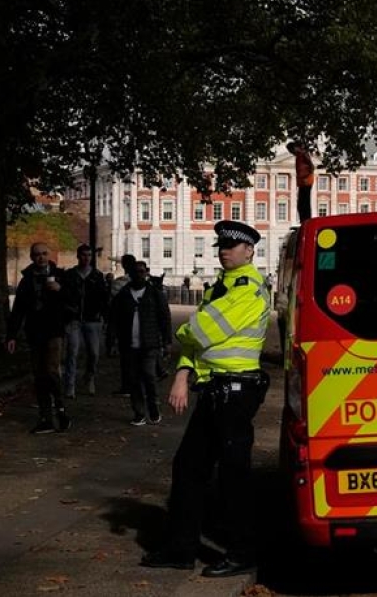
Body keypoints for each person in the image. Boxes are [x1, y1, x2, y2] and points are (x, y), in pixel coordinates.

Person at [141, 220, 271, 578]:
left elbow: (201, 331)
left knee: (234, 475)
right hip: (215, 389)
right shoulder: (220, 288)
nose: (224, 250)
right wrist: (183, 373)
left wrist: (183, 335)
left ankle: (243, 551)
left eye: (232, 245)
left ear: (249, 251)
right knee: (189, 468)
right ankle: (181, 548)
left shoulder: (248, 287)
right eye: (221, 245)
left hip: (237, 391)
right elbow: (197, 344)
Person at [5, 243, 72, 434]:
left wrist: (59, 289)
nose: (41, 258)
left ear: (49, 255)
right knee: (39, 374)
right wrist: (12, 335)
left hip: (54, 331)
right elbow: (18, 309)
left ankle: (60, 410)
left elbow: (73, 299)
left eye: (44, 254)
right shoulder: (27, 280)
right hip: (35, 332)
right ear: (32, 257)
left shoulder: (60, 275)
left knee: (52, 371)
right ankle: (46, 417)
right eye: (37, 255)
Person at [110, 261, 172, 426]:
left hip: (149, 344)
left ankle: (153, 409)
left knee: (149, 376)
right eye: (135, 272)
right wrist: (112, 341)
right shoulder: (123, 295)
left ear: (147, 273)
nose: (139, 275)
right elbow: (114, 320)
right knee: (133, 380)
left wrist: (167, 342)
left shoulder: (154, 293)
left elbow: (164, 318)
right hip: (129, 345)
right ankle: (139, 413)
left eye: (142, 271)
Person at [61, 244, 109, 399]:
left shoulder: (97, 275)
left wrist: (104, 317)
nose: (86, 258)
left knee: (94, 353)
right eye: (83, 255)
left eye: (89, 255)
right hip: (73, 319)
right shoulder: (70, 275)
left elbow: (103, 298)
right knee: (72, 352)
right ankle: (70, 385)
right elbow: (63, 296)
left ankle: (89, 377)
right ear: (78, 256)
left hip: (92, 319)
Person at [108, 254, 138, 394]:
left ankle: (128, 386)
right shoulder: (144, 282)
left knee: (126, 358)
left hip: (124, 324)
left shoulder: (119, 283)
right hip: (139, 324)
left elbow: (112, 306)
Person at [288, 142, 315, 223]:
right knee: (301, 204)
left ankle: (306, 221)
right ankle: (304, 221)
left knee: (304, 203)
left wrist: (306, 176)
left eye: (291, 150)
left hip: (306, 181)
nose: (291, 153)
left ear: (296, 147)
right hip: (302, 182)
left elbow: (311, 166)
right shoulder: (299, 156)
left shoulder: (303, 154)